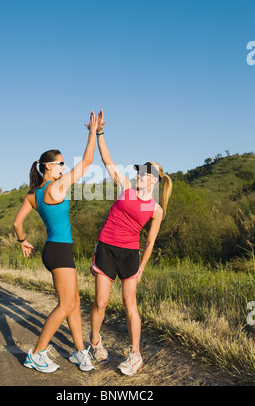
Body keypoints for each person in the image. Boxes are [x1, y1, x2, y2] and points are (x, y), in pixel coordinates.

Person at [13, 111, 99, 373]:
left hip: (57, 250)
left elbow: (17, 223)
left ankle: (79, 351)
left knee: (73, 301)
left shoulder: (34, 194)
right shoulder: (55, 187)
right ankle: (37, 353)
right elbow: (87, 161)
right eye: (61, 163)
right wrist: (93, 132)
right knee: (65, 304)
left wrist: (23, 241)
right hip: (59, 251)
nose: (64, 166)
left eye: (63, 163)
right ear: (48, 166)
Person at [90, 110, 172, 376]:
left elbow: (149, 242)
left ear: (154, 179)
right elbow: (107, 159)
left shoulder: (156, 209)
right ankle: (95, 342)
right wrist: (99, 132)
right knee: (101, 302)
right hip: (106, 248)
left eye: (145, 172)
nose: (138, 174)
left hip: (130, 255)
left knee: (130, 305)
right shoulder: (124, 186)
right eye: (139, 170)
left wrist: (141, 268)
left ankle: (135, 355)